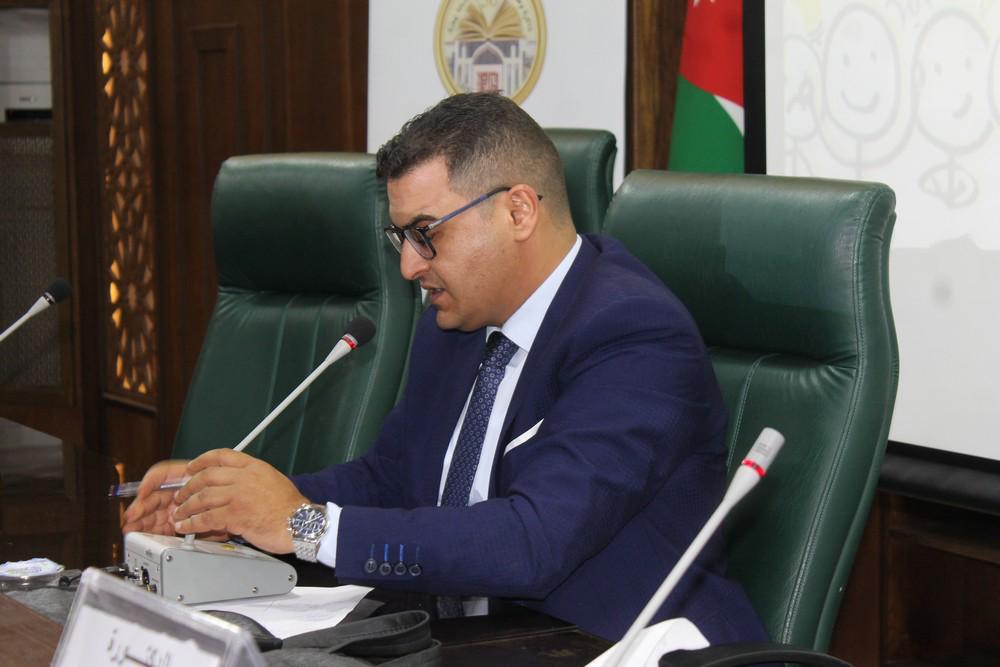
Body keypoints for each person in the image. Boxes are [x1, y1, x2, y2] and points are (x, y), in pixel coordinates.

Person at [123, 92, 767, 645]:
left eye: (427, 232)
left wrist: (302, 525)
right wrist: (233, 503)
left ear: (519, 211)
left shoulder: (633, 333)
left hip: (602, 644)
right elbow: (392, 478)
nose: (409, 266)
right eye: (401, 237)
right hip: (471, 639)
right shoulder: (456, 321)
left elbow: (533, 542)